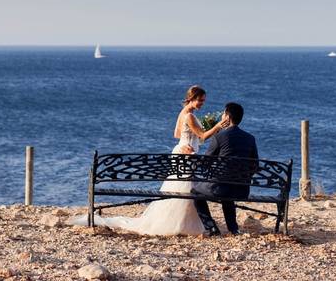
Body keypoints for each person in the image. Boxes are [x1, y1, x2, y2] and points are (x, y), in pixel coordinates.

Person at [70, 85, 227, 235]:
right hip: (186, 157)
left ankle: (182, 221)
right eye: (200, 100)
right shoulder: (190, 116)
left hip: (182, 152)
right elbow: (203, 136)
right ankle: (182, 223)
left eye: (203, 100)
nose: (202, 103)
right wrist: (219, 125)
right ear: (192, 99)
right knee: (185, 189)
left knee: (182, 188)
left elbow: (177, 135)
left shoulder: (183, 113)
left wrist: (187, 143)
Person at [190, 102, 258, 236]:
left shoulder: (219, 136)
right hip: (242, 190)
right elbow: (254, 165)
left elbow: (206, 162)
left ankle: (211, 227)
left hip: (220, 188)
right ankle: (233, 228)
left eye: (223, 113)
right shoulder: (250, 138)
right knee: (228, 189)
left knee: (195, 192)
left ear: (227, 117)